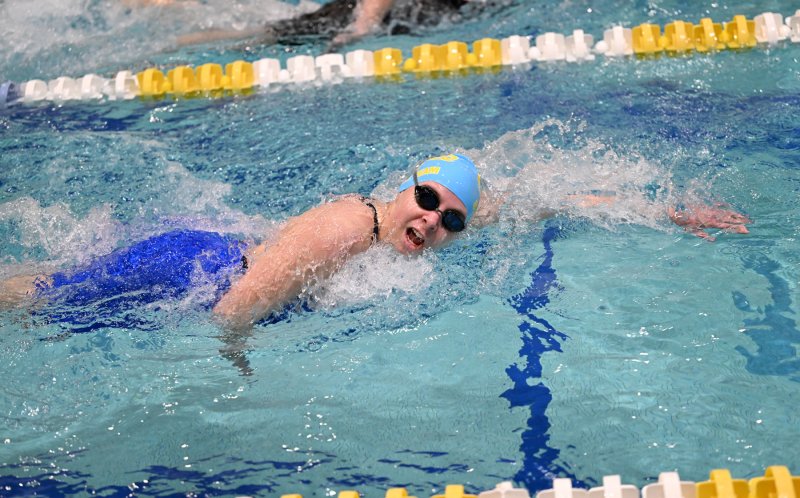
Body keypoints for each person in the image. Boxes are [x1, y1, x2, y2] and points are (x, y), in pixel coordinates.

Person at [1, 153, 750, 331]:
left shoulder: (430, 220)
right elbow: (237, 307)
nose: (431, 221)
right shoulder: (349, 228)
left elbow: (556, 194)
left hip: (214, 249)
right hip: (190, 273)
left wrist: (672, 211)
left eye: (451, 219)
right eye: (425, 202)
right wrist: (232, 365)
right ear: (403, 187)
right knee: (41, 303)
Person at [175, 0, 472, 49]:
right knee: (257, 37)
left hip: (396, 18)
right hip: (367, 16)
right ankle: (176, 44)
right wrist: (361, 26)